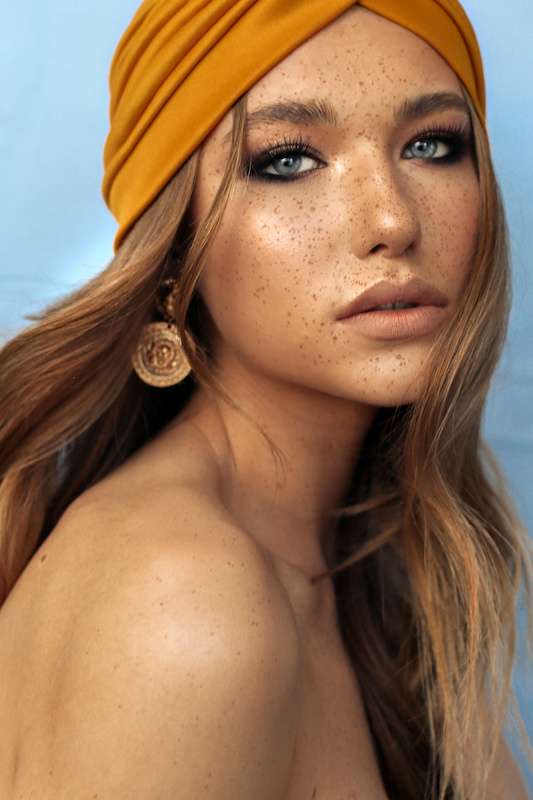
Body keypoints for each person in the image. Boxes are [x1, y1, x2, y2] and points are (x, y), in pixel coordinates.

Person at [0, 1, 531, 798]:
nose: (392, 218)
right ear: (175, 249)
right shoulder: (182, 601)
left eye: (431, 146)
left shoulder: (368, 563)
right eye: (287, 161)